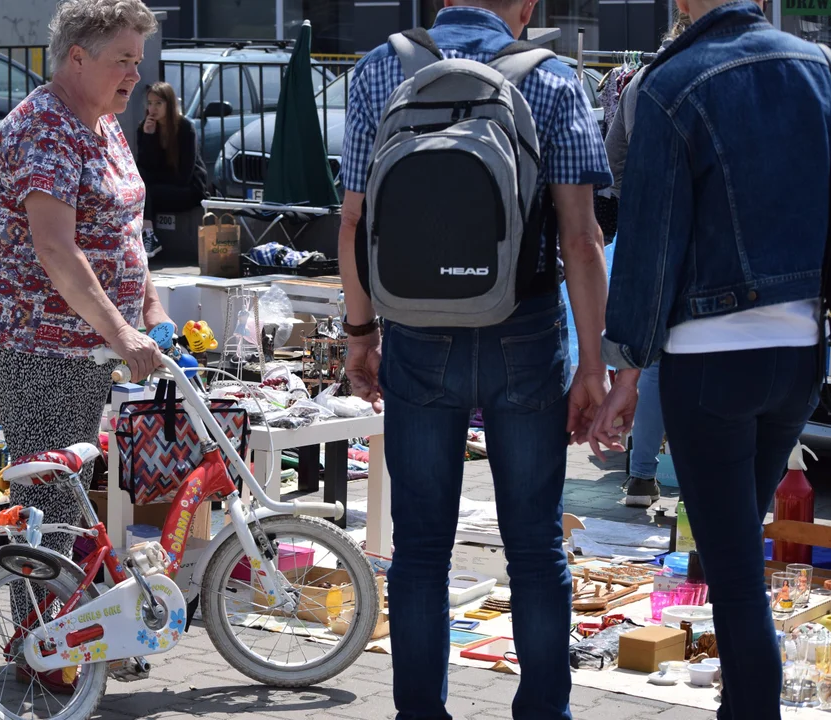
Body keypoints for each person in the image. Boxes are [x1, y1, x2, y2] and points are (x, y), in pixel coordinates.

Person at [338, 0, 612, 717]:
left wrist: (360, 335)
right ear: (521, 6)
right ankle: (542, 711)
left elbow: (353, 221)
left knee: (422, 549)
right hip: (524, 330)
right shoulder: (551, 78)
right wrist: (593, 366)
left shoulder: (380, 68)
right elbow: (580, 237)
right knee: (533, 546)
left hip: (416, 331)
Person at [590, 0, 830, 716]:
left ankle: (748, 706)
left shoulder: (670, 84)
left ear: (683, 5)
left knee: (731, 568)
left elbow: (647, 239)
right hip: (796, 351)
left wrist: (625, 367)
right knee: (738, 546)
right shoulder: (818, 68)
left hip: (709, 357)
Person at [0, 0, 171, 686]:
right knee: (52, 496)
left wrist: (147, 302)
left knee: (67, 491)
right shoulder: (44, 128)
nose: (134, 75)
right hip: (40, 340)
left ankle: (66, 633)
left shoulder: (101, 122)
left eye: (139, 62)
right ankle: (45, 648)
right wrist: (119, 329)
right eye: (123, 59)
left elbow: (119, 228)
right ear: (76, 56)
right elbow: (55, 248)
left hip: (84, 343)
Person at [603, 12, 690, 508]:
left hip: (648, 231)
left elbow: (613, 154)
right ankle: (694, 478)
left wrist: (626, 202)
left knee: (651, 356)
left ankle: (640, 476)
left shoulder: (640, 82)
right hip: (708, 243)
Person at [136, 80, 208, 259]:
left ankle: (147, 235)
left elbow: (184, 175)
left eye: (158, 103)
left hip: (188, 189)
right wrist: (149, 137)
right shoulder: (144, 127)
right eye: (150, 103)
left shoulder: (185, 128)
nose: (153, 109)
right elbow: (145, 167)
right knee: (140, 185)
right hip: (159, 189)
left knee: (147, 191)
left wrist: (155, 178)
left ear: (170, 104)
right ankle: (147, 236)